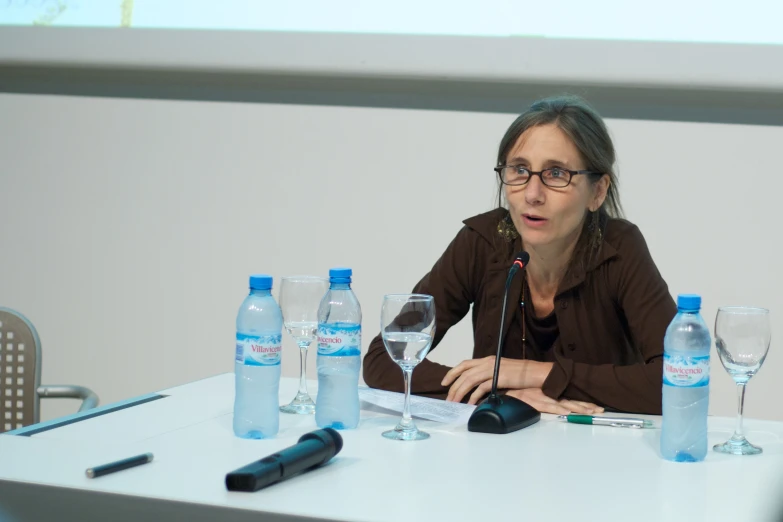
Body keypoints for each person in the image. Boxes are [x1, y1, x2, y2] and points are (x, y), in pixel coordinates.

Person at [362, 94, 677, 415]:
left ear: (597, 192)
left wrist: (534, 374)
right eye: (520, 170)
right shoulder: (483, 242)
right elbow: (384, 358)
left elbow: (678, 379)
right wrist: (501, 393)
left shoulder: (619, 248)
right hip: (498, 445)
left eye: (556, 173)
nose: (532, 194)